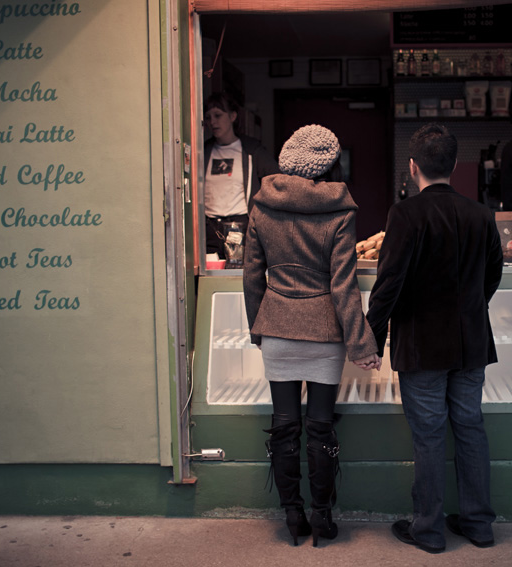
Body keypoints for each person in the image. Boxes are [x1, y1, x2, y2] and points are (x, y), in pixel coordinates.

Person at [365, 123, 504, 553]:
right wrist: (469, 309)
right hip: (470, 345)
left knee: (428, 437)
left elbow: (388, 284)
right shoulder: (481, 214)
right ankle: (479, 524)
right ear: (455, 165)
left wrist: (371, 335)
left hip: (423, 347)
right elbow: (492, 275)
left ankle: (427, 530)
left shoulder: (404, 215)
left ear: (412, 167)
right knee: (470, 429)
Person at [243, 124, 381, 547]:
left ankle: (292, 515)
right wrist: (362, 343)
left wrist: (257, 328)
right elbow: (344, 287)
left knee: (284, 425)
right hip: (324, 332)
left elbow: (252, 278)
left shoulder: (262, 206)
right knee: (320, 427)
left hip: (278, 327)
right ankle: (322, 516)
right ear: (328, 165)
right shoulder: (340, 210)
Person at [203, 92, 279, 261]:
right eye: (208, 117)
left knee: (240, 273)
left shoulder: (251, 150)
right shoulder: (203, 151)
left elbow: (277, 179)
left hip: (239, 224)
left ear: (232, 116)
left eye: (217, 115)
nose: (212, 122)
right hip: (209, 227)